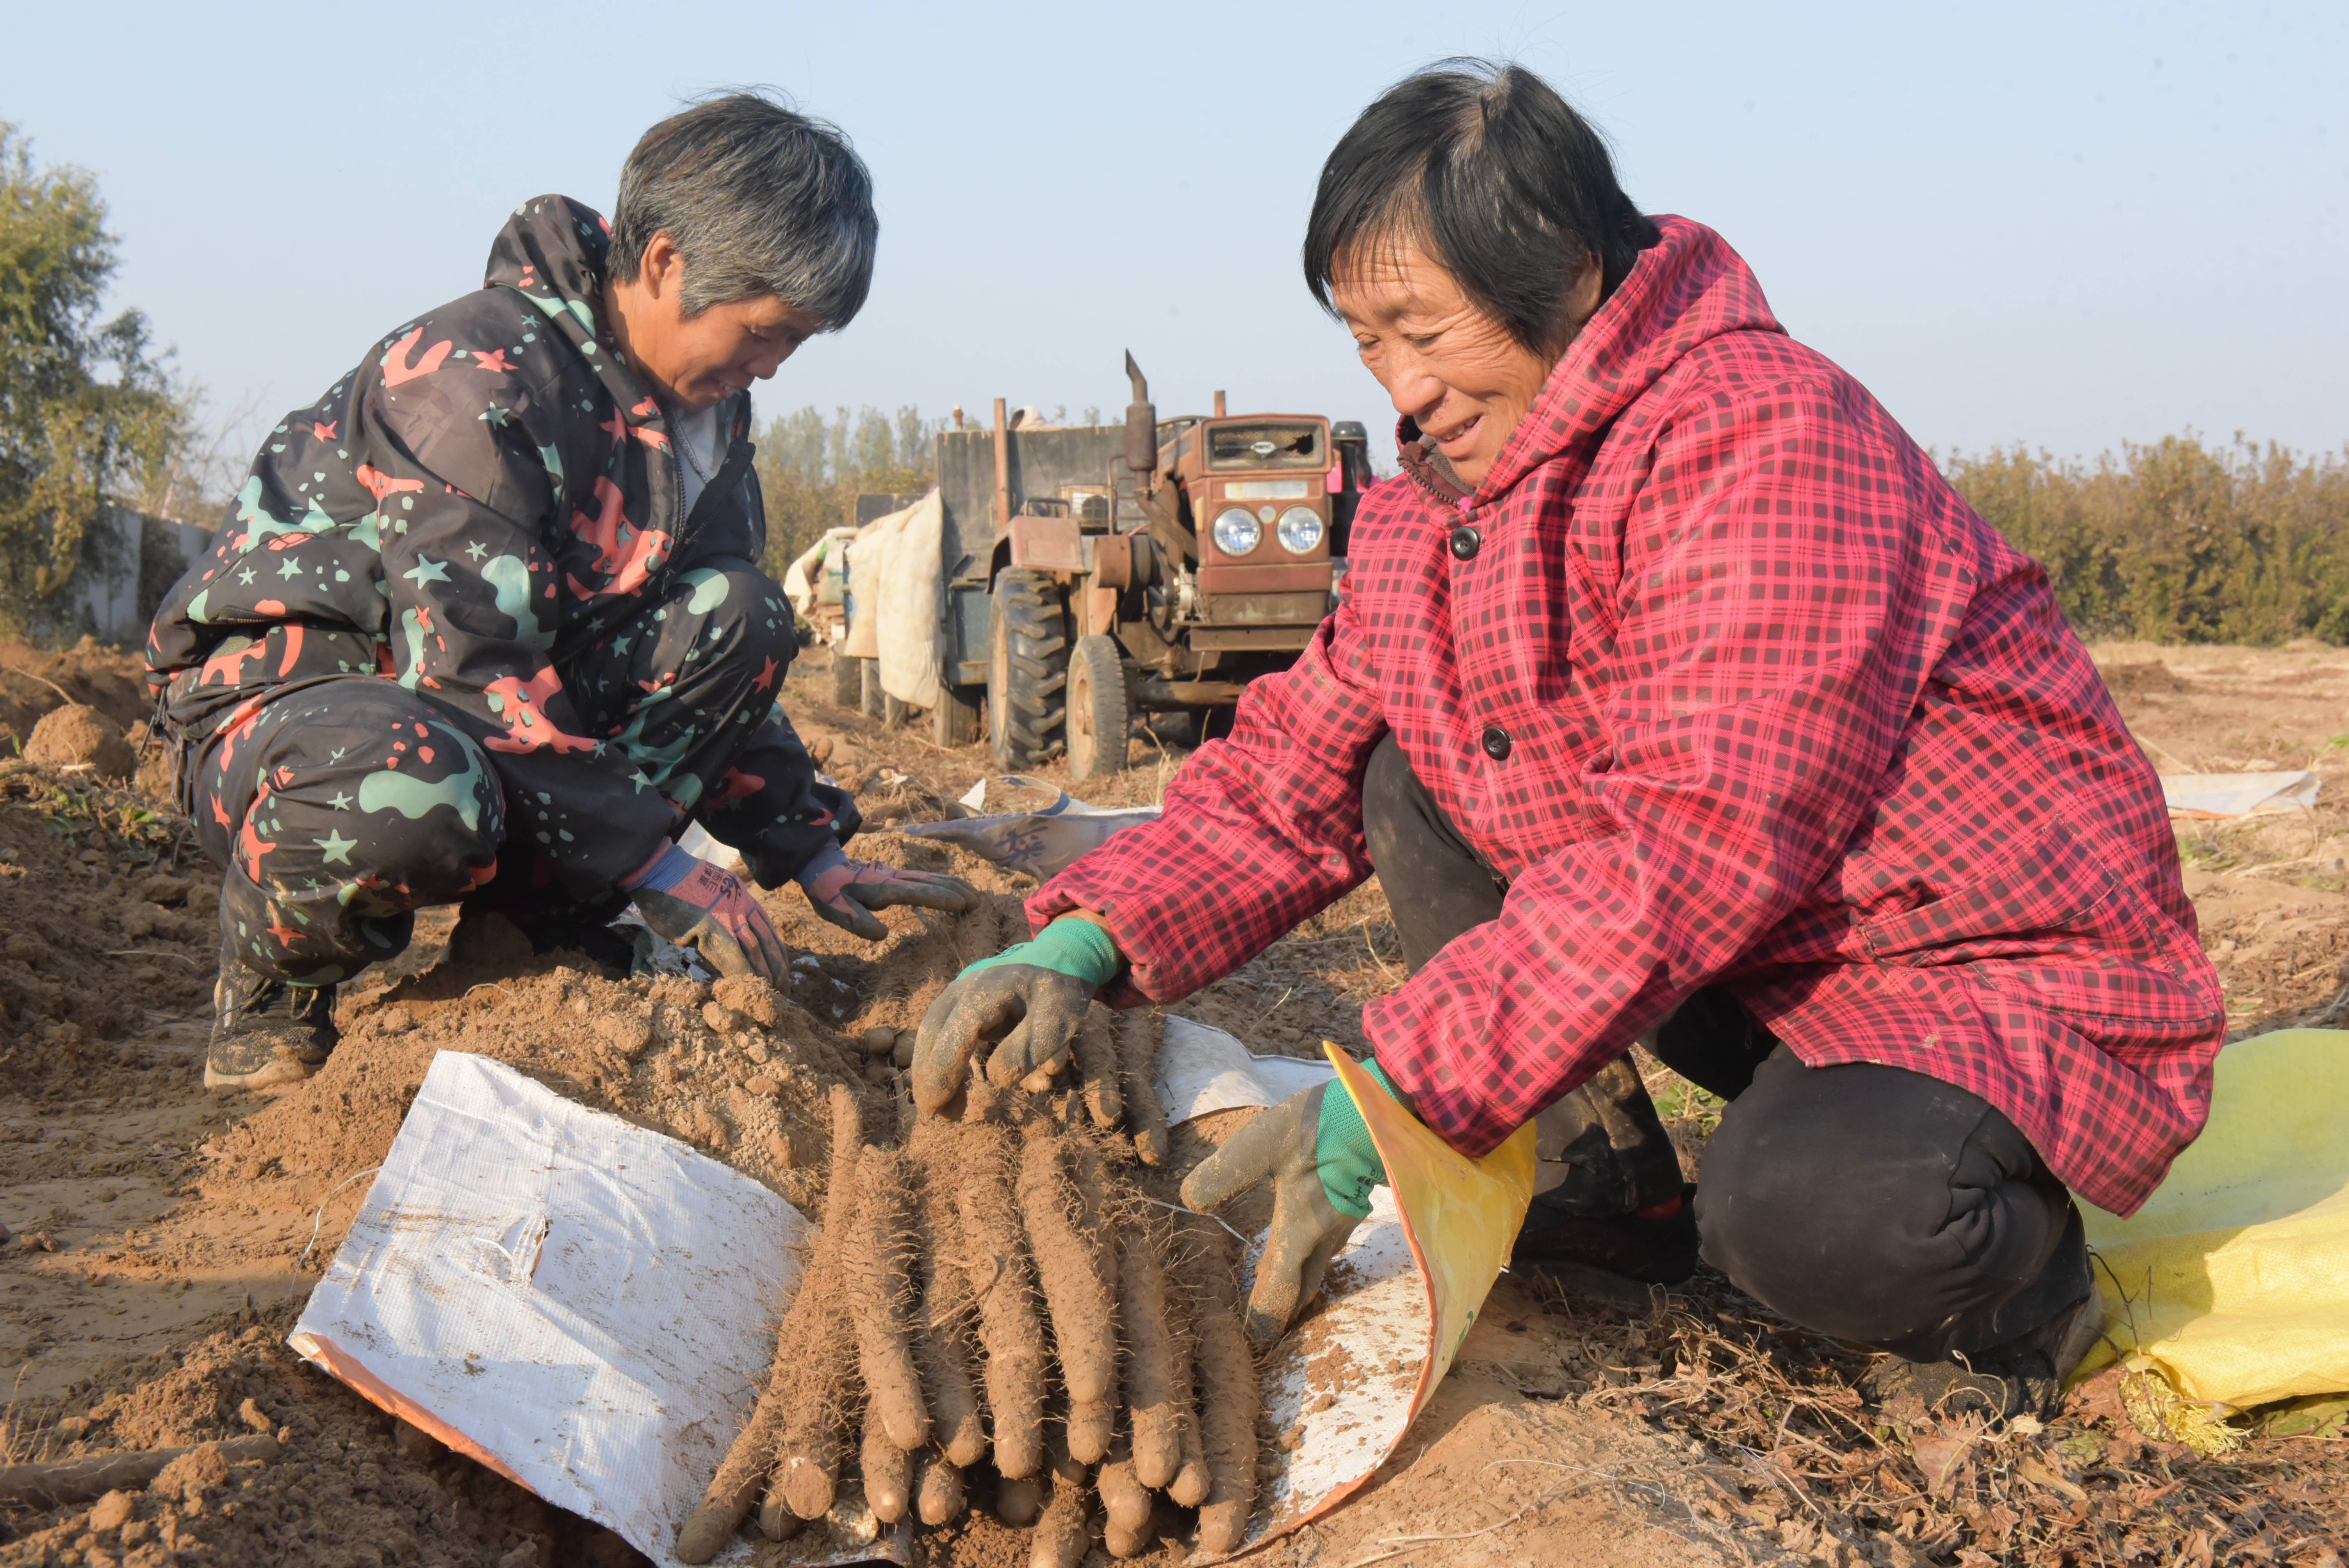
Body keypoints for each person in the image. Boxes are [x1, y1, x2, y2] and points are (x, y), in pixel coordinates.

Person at [914, 60, 2224, 1419]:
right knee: (1410, 766)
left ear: (1558, 264)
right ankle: (1595, 1180)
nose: (1403, 386)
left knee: (1801, 1221)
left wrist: (1399, 1092)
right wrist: (1088, 937)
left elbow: (1692, 845)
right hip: (1764, 957)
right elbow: (1288, 764)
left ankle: (2022, 1288)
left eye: (1422, 326)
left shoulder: (1761, 435)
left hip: (1971, 966)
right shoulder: (1438, 494)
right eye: (1366, 339)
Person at [148, 93, 973, 1092]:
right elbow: (467, 665)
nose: (769, 367)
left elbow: (712, 650)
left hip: (485, 707)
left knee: (745, 613)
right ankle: (279, 980)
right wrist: (655, 864)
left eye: (795, 344)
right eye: (764, 332)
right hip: (310, 710)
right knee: (415, 784)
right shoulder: (475, 376)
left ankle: (537, 929)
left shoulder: (702, 424)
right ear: (666, 263)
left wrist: (809, 844)